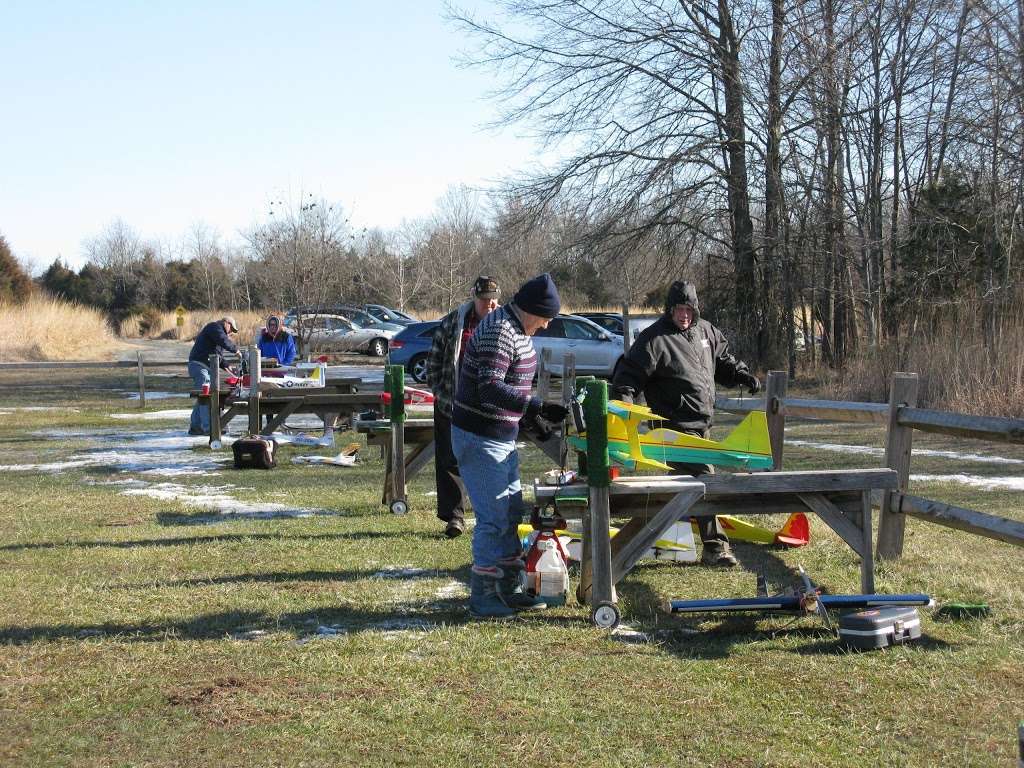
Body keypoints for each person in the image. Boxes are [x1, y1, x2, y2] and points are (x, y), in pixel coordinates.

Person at [612, 281, 761, 567]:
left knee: (680, 490)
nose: (684, 315)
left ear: (696, 310)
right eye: (678, 309)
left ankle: (633, 543)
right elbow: (627, 378)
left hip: (703, 425)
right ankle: (715, 548)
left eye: (689, 309)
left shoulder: (706, 331)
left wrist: (742, 375)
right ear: (669, 310)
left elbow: (723, 361)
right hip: (674, 428)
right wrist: (626, 409)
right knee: (704, 481)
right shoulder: (654, 339)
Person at [450, 273, 569, 618]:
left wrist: (533, 419)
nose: (546, 325)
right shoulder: (499, 331)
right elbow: (489, 387)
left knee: (510, 512)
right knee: (493, 518)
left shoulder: (516, 329)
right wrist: (534, 406)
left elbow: (510, 386)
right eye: (546, 317)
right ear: (532, 309)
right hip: (479, 437)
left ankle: (509, 586)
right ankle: (483, 595)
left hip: (500, 437)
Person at [425, 276, 502, 539]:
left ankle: (490, 518)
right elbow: (433, 362)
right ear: (475, 298)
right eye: (484, 300)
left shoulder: (504, 327)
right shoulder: (453, 323)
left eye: (493, 299)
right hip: (452, 402)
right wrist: (440, 394)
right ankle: (454, 518)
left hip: (488, 408)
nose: (489, 304)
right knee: (449, 460)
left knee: (488, 461)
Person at [187, 316, 239, 436]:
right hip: (199, 366)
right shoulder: (214, 327)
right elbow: (224, 340)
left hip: (204, 367)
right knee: (206, 395)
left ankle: (195, 427)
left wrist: (228, 367)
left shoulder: (216, 336)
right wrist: (236, 350)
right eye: (231, 329)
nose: (231, 332)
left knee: (202, 397)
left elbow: (217, 356)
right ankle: (208, 428)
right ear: (226, 323)